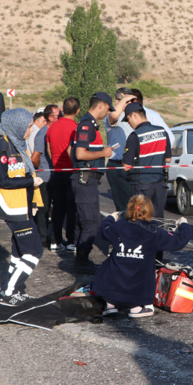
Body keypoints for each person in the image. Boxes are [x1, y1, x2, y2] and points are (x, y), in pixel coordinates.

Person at [91, 195, 190, 318]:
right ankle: (137, 309)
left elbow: (103, 230)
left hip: (110, 291)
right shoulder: (153, 232)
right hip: (137, 293)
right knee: (145, 272)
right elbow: (179, 240)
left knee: (110, 264)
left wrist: (111, 217)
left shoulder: (118, 227)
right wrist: (184, 225)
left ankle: (110, 305)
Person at [0, 108, 45, 307]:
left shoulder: (18, 144)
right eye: (29, 127)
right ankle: (8, 293)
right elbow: (3, 181)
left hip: (22, 206)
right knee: (34, 251)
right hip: (13, 208)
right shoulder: (4, 148)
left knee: (19, 251)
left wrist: (33, 202)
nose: (31, 130)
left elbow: (24, 173)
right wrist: (31, 182)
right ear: (17, 126)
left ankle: (17, 291)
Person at [70, 92, 115, 274]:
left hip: (86, 179)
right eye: (108, 109)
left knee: (84, 221)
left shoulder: (89, 124)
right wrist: (103, 153)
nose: (108, 113)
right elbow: (80, 154)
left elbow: (71, 151)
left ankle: (81, 260)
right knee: (91, 223)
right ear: (101, 105)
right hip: (85, 179)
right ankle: (81, 262)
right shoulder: (86, 125)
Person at [122, 102, 172, 260]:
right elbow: (168, 159)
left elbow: (126, 166)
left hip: (141, 185)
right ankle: (157, 259)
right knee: (158, 221)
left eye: (128, 120)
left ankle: (142, 257)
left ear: (134, 116)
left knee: (140, 220)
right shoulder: (162, 131)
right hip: (160, 184)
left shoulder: (135, 136)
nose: (128, 123)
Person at [47, 97, 78, 251]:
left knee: (58, 208)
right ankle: (71, 241)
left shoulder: (52, 127)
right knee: (72, 209)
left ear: (63, 109)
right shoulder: (76, 128)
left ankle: (55, 241)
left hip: (57, 171)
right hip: (71, 171)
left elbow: (49, 149)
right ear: (78, 111)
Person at [103, 88, 137, 211]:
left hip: (133, 164)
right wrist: (124, 100)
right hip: (118, 165)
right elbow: (114, 115)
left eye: (131, 101)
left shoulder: (132, 116)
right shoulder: (111, 116)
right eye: (127, 101)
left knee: (136, 203)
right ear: (117, 101)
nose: (129, 103)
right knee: (124, 205)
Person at [31, 104, 59, 248]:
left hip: (54, 175)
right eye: (58, 116)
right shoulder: (43, 134)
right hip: (45, 177)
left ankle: (53, 238)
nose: (60, 118)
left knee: (55, 209)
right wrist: (40, 169)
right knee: (43, 209)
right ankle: (42, 238)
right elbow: (35, 157)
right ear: (50, 117)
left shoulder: (53, 131)